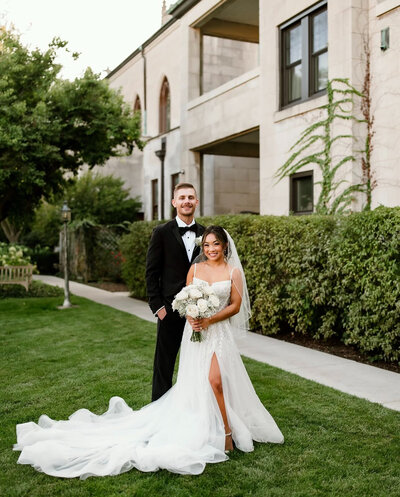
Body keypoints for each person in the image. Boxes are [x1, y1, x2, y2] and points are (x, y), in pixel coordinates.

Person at [14, 225, 284, 478]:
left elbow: (236, 305)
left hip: (218, 333)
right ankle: (215, 427)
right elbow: (188, 297)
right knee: (198, 381)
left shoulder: (233, 271)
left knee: (216, 380)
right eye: (208, 244)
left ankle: (225, 430)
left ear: (225, 246)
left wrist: (210, 319)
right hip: (196, 332)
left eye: (216, 244)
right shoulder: (196, 269)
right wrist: (193, 316)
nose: (211, 248)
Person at [146, 182, 204, 401]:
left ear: (196, 202)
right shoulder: (161, 232)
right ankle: (158, 413)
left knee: (198, 363)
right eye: (182, 198)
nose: (186, 201)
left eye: (190, 197)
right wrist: (158, 308)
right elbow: (151, 273)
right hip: (169, 310)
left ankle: (195, 408)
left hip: (199, 311)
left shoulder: (205, 234)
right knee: (164, 365)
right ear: (174, 203)